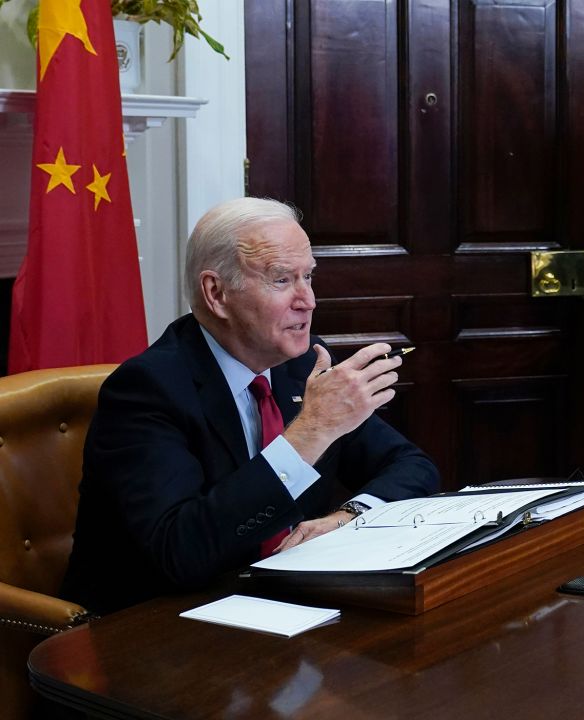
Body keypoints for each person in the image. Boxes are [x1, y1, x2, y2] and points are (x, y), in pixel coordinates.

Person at [61, 198, 440, 614]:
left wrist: (348, 516)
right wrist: (310, 433)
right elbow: (179, 554)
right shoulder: (147, 389)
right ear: (216, 293)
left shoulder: (303, 363)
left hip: (285, 606)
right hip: (159, 627)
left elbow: (412, 466)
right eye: (282, 280)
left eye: (308, 276)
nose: (308, 300)